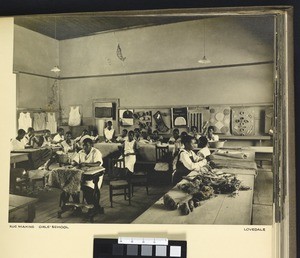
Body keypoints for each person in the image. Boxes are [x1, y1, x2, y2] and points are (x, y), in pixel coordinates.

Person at [72, 138, 104, 205]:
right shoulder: (81, 152)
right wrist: (74, 163)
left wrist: (86, 164)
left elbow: (98, 163)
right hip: (83, 175)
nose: (84, 147)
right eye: (83, 145)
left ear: (91, 145)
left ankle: (92, 207)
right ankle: (77, 207)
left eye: (87, 145)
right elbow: (75, 161)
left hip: (94, 176)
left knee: (87, 189)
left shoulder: (96, 152)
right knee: (72, 187)